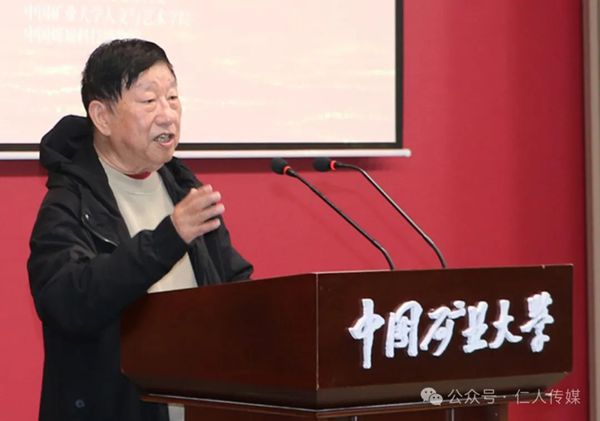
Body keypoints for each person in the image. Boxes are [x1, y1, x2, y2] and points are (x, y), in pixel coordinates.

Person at [27, 39, 253, 421]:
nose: (167, 115)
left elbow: (232, 285)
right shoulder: (69, 203)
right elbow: (69, 303)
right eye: (149, 101)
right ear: (102, 116)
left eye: (173, 98)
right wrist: (166, 240)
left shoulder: (184, 189)